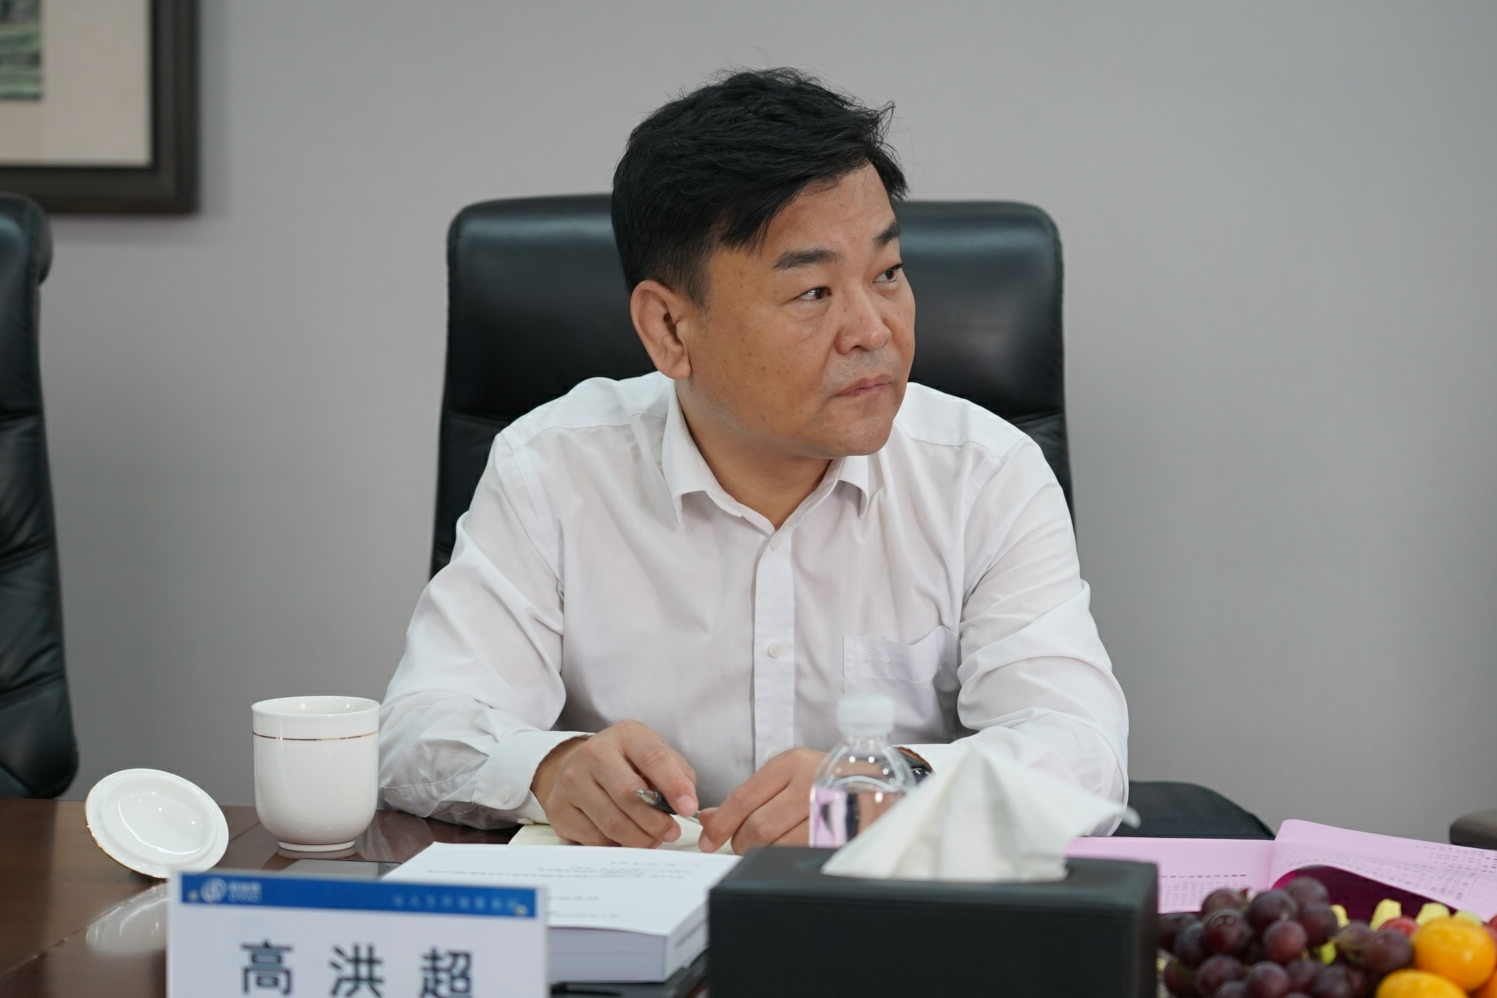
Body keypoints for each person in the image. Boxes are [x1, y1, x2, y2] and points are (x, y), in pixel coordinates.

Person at [379, 68, 1128, 854]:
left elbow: (1082, 753)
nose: (873, 330)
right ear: (669, 329)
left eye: (887, 274)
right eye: (812, 293)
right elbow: (417, 728)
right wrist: (549, 768)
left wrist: (893, 785)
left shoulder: (985, 475)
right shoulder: (552, 468)